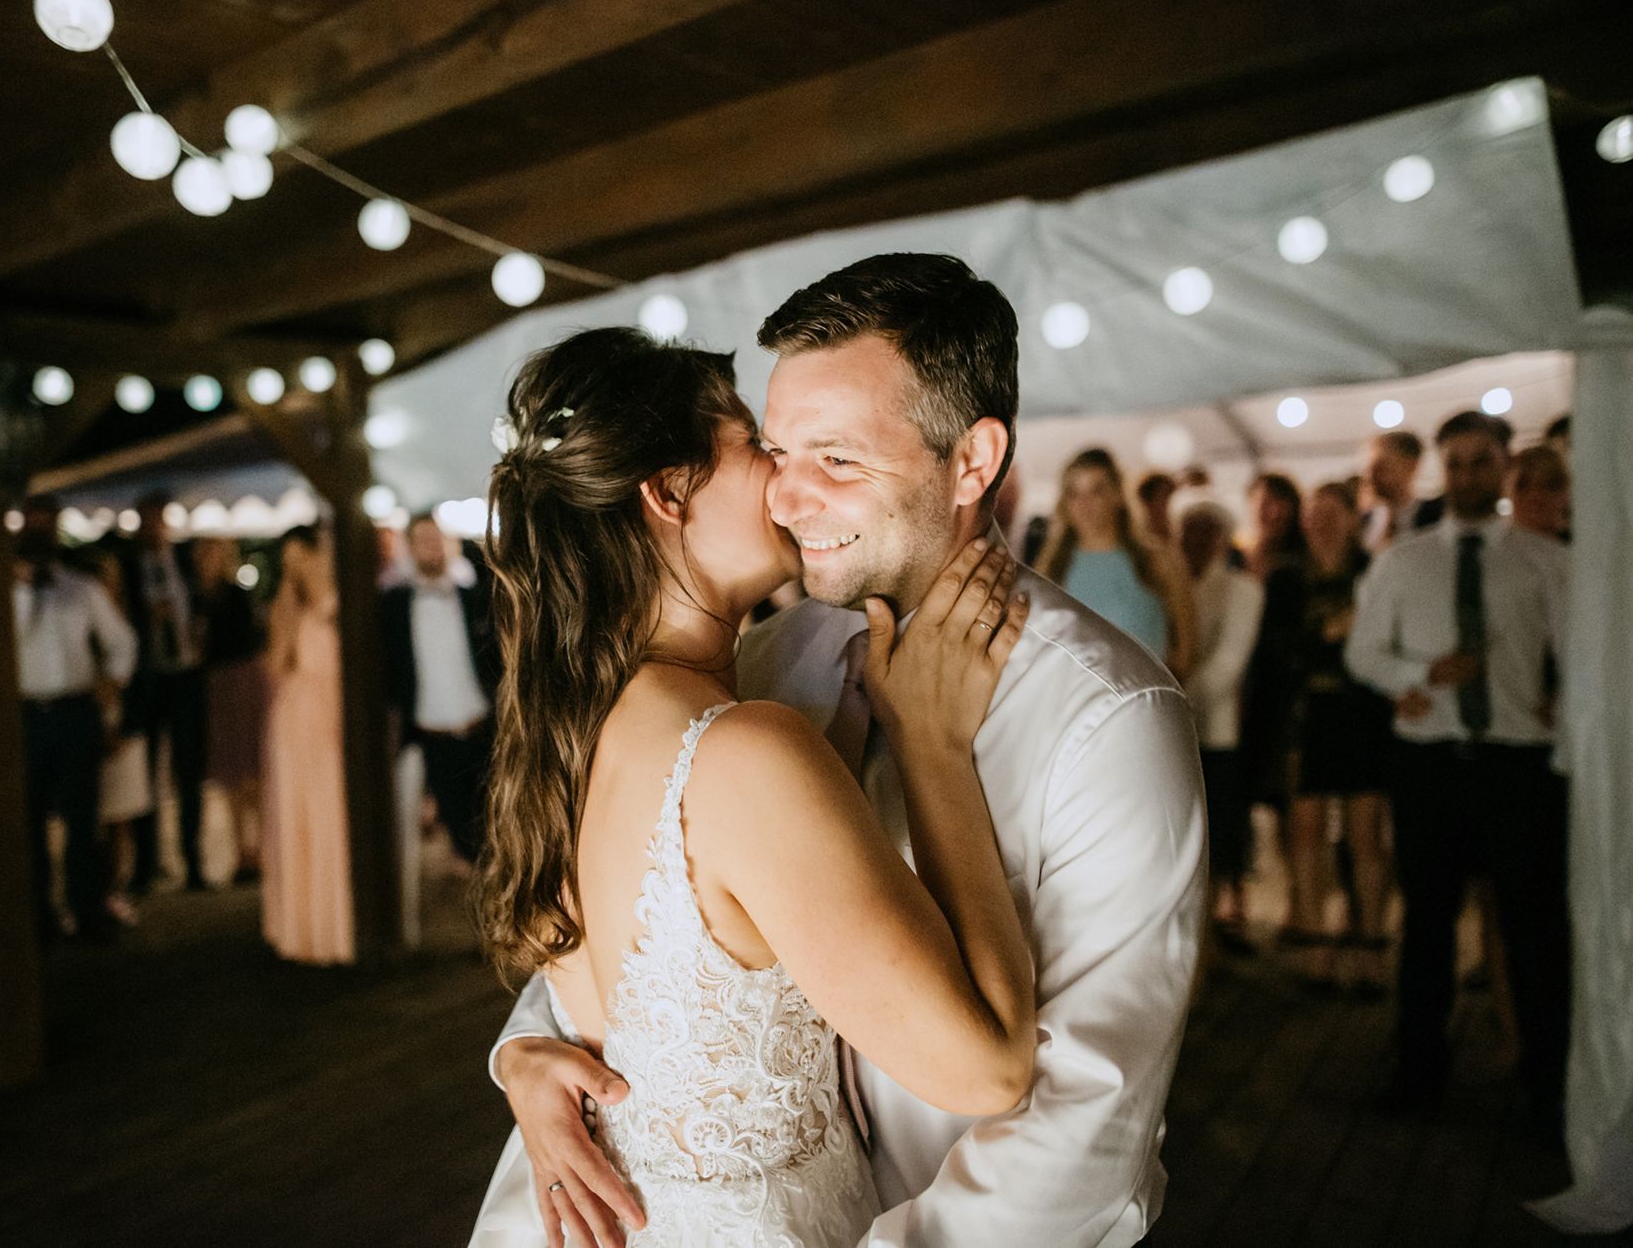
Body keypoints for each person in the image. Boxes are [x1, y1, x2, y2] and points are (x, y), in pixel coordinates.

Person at [483, 254, 1207, 1248]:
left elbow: (1086, 1129)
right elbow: (648, 953)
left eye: (835, 459)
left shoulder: (1109, 720)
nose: (787, 495)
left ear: (972, 460)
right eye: (773, 449)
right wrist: (528, 1050)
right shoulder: (762, 669)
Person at [472, 326, 1037, 1246]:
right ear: (668, 491)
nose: (784, 476)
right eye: (753, 444)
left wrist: (521, 1055)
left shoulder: (567, 739)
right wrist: (933, 746)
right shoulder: (741, 754)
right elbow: (989, 1071)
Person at [1345, 411, 1570, 1134]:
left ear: (1505, 465)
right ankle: (1419, 1069)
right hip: (1431, 758)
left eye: (1482, 460)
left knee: (1533, 926)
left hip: (1518, 758)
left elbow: (1581, 657)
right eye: (1458, 462)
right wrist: (1416, 674)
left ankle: (1548, 1083)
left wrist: (1562, 703)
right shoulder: (1402, 560)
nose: (1469, 474)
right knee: (1428, 922)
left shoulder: (1546, 560)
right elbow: (1363, 651)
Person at [14, 496, 138, 941]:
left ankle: (87, 911)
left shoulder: (80, 589)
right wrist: (23, 589)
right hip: (26, 715)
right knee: (28, 820)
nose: (39, 531)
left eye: (46, 523)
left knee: (82, 820)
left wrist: (113, 683)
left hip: (74, 712)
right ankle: (37, 916)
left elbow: (122, 642)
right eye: (33, 523)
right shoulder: (4, 594)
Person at [1283, 483, 1391, 992]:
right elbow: (1280, 650)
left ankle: (1371, 944)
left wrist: (1341, 638)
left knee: (1365, 832)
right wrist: (1330, 634)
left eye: (1332, 513)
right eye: (1314, 514)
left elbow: (1384, 642)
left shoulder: (1374, 572)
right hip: (1307, 715)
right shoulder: (1288, 578)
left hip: (1364, 714)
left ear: (1352, 519)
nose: (1321, 523)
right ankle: (1316, 944)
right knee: (1307, 831)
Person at [380, 514, 501, 865]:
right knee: (462, 837)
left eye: (436, 538)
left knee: (498, 828)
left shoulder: (474, 597)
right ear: (410, 547)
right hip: (432, 741)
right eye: (423, 540)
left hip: (484, 731)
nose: (431, 547)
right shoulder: (393, 607)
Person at [261, 525, 353, 967]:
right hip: (300, 717)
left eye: (301, 557)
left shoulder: (344, 596)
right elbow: (277, 665)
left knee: (336, 815)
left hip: (338, 709)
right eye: (288, 561)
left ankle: (342, 923)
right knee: (305, 812)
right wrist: (291, 613)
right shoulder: (287, 604)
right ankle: (308, 928)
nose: (296, 567)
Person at [1177, 498, 1264, 952]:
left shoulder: (1241, 589)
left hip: (1215, 731)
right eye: (1189, 528)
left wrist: (1171, 699)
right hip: (1175, 728)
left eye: (1206, 530)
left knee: (1217, 839)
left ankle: (1209, 943)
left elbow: (1229, 662)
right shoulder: (1168, 582)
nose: (1194, 539)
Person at [1037, 448, 1195, 678]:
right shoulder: (1052, 566)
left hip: (1147, 691)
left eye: (1096, 491)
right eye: (1074, 493)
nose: (1084, 504)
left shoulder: (1156, 559)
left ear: (1118, 495)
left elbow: (1186, 645)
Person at [120, 492, 209, 892]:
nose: (155, 529)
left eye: (159, 520)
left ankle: (193, 863)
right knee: (146, 774)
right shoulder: (129, 568)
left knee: (189, 772)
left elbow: (201, 604)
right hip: (149, 679)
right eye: (148, 521)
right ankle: (146, 865)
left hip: (186, 675)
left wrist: (198, 631)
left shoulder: (185, 561)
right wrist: (146, 616)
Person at [1239, 472, 1307, 868]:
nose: (1270, 511)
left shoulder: (1301, 563)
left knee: (1288, 797)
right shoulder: (1237, 557)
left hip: (1284, 692)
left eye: (1279, 501)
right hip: (1245, 689)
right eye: (1262, 502)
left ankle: (1296, 887)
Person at [195, 537, 268, 883]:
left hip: (238, 682)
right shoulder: (195, 597)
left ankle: (260, 849)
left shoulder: (235, 596)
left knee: (250, 770)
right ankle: (242, 850)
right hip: (213, 686)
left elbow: (249, 640)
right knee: (229, 772)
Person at [89, 551, 153, 928]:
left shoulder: (129, 623)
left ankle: (115, 889)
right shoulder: (84, 624)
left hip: (125, 728)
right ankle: (91, 892)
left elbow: (143, 680)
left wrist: (127, 729)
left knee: (121, 819)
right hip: (91, 728)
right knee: (92, 817)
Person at [1359, 430, 1441, 553]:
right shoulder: (1361, 522)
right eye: (1369, 469)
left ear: (1411, 465)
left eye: (1381, 467)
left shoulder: (1437, 518)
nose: (1370, 477)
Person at [1508, 443, 1570, 541]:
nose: (1535, 496)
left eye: (1549, 485)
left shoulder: (1586, 543)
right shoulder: (1492, 546)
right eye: (1523, 486)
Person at [1136, 469, 1178, 542]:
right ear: (1149, 503)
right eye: (1165, 496)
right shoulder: (1140, 540)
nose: (1172, 504)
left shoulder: (1179, 535)